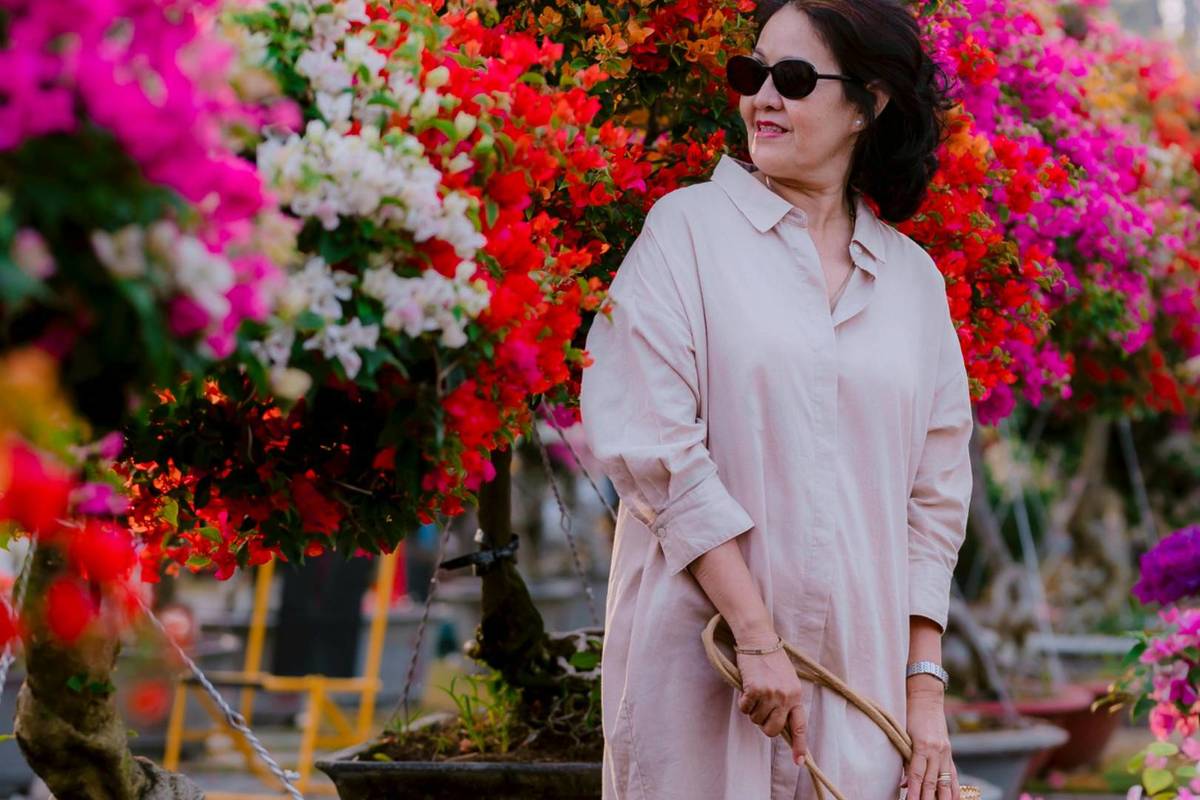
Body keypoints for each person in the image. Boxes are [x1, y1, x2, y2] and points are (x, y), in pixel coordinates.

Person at [579, 1, 971, 798]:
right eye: (750, 73)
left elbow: (933, 504)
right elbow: (653, 446)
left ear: (869, 104)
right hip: (703, 664)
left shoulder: (914, 284)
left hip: (860, 684)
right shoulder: (684, 232)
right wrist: (757, 637)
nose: (763, 97)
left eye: (793, 79)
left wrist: (923, 691)